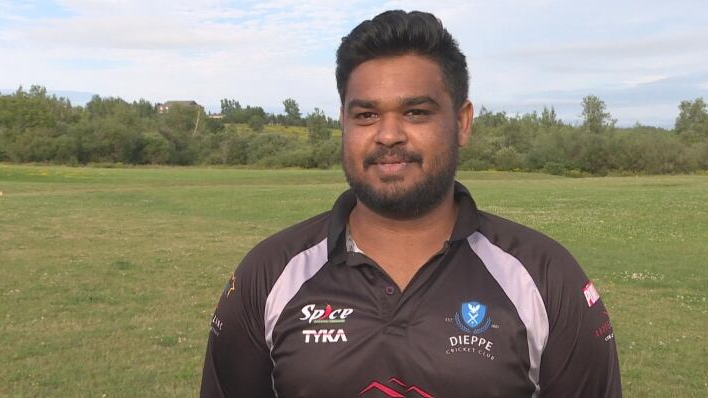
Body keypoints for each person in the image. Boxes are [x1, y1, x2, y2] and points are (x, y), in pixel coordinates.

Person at [201, 10, 621, 398]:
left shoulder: (546, 277)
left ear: (461, 122)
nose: (388, 135)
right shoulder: (268, 273)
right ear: (343, 123)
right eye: (366, 115)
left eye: (416, 112)